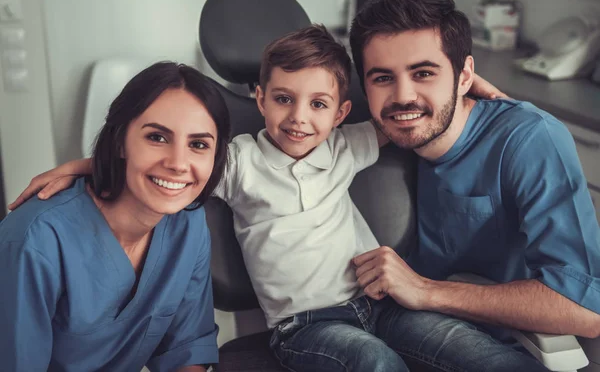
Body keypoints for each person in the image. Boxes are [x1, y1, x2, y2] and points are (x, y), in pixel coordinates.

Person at [8, 25, 504, 371]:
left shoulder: (347, 146)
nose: (299, 118)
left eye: (318, 105)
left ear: (340, 112)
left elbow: (406, 119)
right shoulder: (238, 160)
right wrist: (78, 165)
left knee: (477, 352)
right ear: (260, 97)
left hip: (379, 303)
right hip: (304, 325)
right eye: (283, 98)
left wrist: (461, 88)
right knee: (375, 364)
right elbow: (174, 167)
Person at [346, 0, 600, 371]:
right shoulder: (384, 130)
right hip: (400, 327)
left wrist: (426, 291)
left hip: (509, 340)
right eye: (382, 78)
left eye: (424, 73)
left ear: (465, 74)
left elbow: (584, 308)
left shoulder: (527, 139)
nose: (403, 96)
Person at [0, 61, 231, 372]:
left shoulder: (187, 225)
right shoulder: (36, 241)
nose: (178, 163)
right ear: (121, 139)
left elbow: (186, 347)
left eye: (198, 144)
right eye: (157, 138)